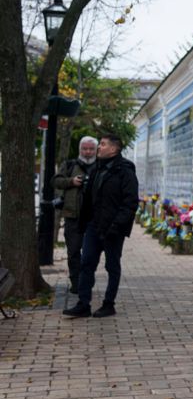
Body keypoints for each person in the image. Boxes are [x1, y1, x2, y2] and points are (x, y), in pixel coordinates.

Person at [64, 134, 139, 319]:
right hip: (93, 226)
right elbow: (90, 199)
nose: (99, 148)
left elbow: (130, 203)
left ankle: (108, 304)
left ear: (113, 149)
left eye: (103, 145)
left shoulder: (125, 170)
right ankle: (83, 304)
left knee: (112, 266)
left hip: (113, 229)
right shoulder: (97, 168)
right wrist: (85, 222)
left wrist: (116, 225)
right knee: (86, 263)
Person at [53, 135, 98, 293]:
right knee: (73, 252)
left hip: (93, 218)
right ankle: (76, 283)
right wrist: (71, 182)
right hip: (72, 216)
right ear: (80, 149)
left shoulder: (100, 166)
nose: (87, 152)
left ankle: (87, 282)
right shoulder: (70, 165)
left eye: (91, 149)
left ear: (96, 150)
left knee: (90, 253)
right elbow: (56, 181)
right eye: (84, 149)